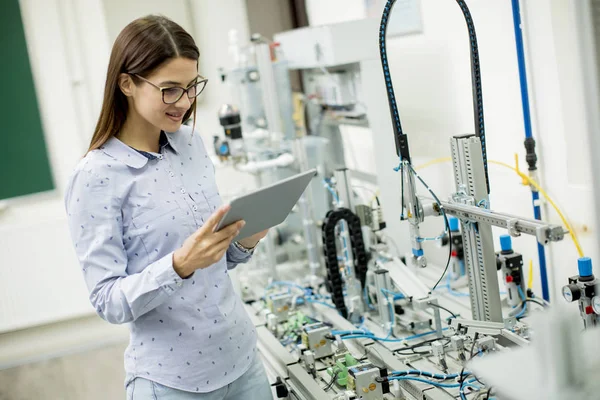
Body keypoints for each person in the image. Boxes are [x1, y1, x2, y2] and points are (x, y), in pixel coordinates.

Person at [64, 15, 272, 399]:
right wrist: (178, 265)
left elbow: (216, 263)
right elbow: (108, 301)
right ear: (127, 83)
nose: (186, 102)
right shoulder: (96, 177)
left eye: (192, 87)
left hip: (243, 363)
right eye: (170, 90)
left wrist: (246, 241)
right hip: (174, 381)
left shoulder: (190, 144)